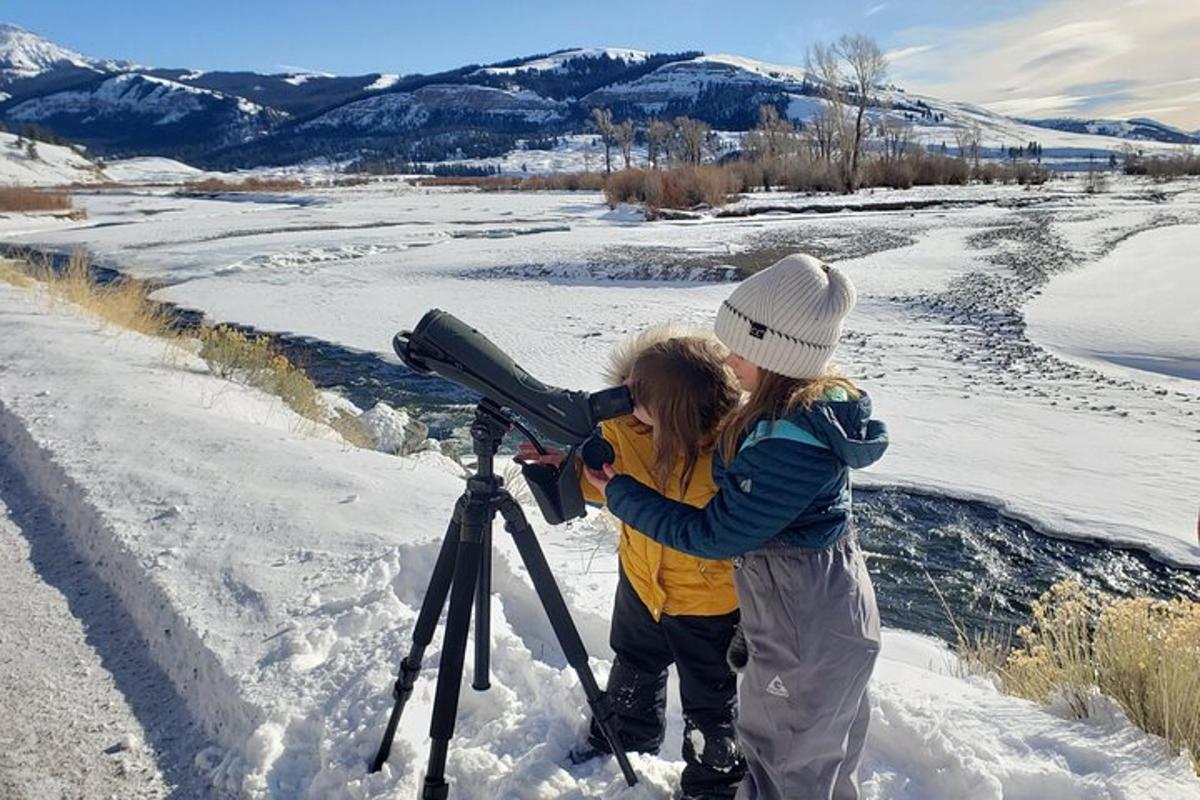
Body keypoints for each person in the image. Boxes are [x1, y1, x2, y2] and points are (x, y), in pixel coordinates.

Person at [586, 254, 888, 800]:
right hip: (820, 607)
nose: (728, 358)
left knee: (783, 757)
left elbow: (713, 535)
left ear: (778, 353)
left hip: (804, 621)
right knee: (820, 756)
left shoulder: (784, 445)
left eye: (741, 348)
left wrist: (620, 495)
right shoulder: (797, 415)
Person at [519, 327, 746, 799]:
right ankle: (627, 732)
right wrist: (565, 469)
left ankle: (714, 782)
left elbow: (733, 528)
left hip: (709, 602)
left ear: (674, 410)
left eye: (640, 398)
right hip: (642, 581)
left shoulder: (728, 452)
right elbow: (602, 483)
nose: (627, 405)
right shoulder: (623, 430)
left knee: (711, 700)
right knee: (634, 662)